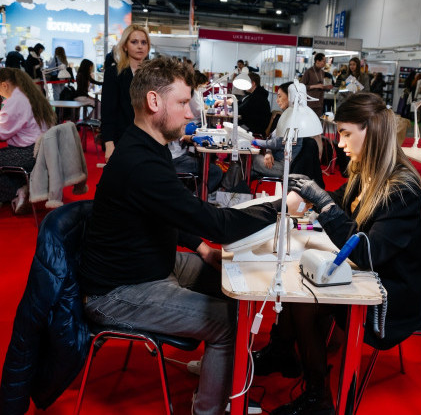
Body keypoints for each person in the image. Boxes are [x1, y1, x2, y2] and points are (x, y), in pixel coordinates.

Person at [78, 57, 287, 415]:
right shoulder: (140, 162)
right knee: (228, 322)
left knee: (235, 285)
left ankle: (216, 374)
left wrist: (202, 248)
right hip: (117, 291)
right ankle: (208, 409)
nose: (191, 113)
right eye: (182, 103)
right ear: (154, 102)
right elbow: (217, 224)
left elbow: (169, 213)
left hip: (150, 264)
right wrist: (279, 207)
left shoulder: (148, 146)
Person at [253, 92, 421, 415]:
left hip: (393, 293)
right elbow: (340, 201)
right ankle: (283, 353)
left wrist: (322, 203)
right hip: (374, 275)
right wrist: (315, 195)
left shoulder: (402, 189)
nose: (340, 143)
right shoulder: (366, 170)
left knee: (307, 299)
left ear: (372, 131)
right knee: (300, 279)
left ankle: (319, 398)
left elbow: (367, 253)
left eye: (346, 133)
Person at [0, 68, 55, 212]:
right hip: (40, 151)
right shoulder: (29, 94)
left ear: (4, 85)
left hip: (28, 153)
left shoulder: (16, 100)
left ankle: (18, 190)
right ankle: (23, 189)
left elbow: (3, 133)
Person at [101, 24, 150, 162]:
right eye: (134, 42)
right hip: (122, 139)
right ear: (125, 46)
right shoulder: (113, 73)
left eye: (144, 42)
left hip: (149, 141)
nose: (140, 46)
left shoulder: (154, 75)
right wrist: (109, 143)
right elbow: (107, 112)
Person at [169, 70, 223, 193]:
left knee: (205, 160)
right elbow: (172, 135)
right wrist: (190, 135)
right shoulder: (168, 115)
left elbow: (178, 136)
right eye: (184, 103)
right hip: (174, 159)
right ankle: (195, 197)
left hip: (179, 154)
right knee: (215, 172)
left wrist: (192, 137)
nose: (189, 113)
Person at [251, 81, 302, 178]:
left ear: (290, 97)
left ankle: (227, 185)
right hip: (274, 161)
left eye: (279, 96)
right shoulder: (286, 116)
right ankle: (231, 186)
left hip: (281, 167)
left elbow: (276, 143)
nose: (277, 100)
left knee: (248, 159)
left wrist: (253, 141)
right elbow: (272, 140)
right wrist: (268, 152)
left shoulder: (293, 119)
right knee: (244, 167)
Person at [215, 72, 271, 136]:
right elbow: (243, 104)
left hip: (253, 129)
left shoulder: (257, 97)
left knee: (230, 127)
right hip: (250, 125)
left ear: (253, 83)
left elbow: (239, 110)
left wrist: (232, 103)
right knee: (230, 125)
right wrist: (228, 102)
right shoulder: (254, 94)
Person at [301, 53, 333, 117]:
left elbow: (321, 85)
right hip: (310, 103)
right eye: (324, 61)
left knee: (318, 120)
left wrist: (326, 87)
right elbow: (302, 86)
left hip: (320, 103)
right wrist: (315, 86)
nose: (325, 63)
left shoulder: (322, 72)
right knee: (309, 120)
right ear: (317, 61)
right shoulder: (308, 72)